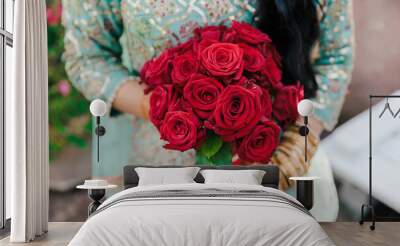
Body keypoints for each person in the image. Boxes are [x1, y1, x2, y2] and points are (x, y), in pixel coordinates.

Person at [62, 0, 353, 221]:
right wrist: (165, 108)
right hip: (160, 171)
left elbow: (335, 59)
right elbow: (87, 57)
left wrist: (292, 152)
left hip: (276, 169)